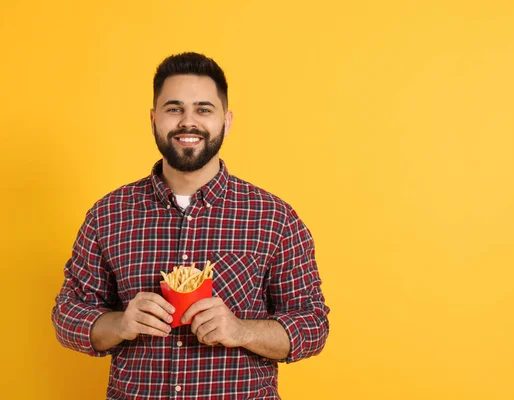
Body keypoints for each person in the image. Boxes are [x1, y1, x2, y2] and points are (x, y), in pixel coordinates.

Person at [51, 52, 330, 399]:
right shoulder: (109, 214)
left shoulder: (274, 218)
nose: (188, 122)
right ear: (154, 119)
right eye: (174, 109)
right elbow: (68, 314)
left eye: (203, 109)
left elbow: (313, 325)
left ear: (226, 121)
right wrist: (121, 324)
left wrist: (241, 331)